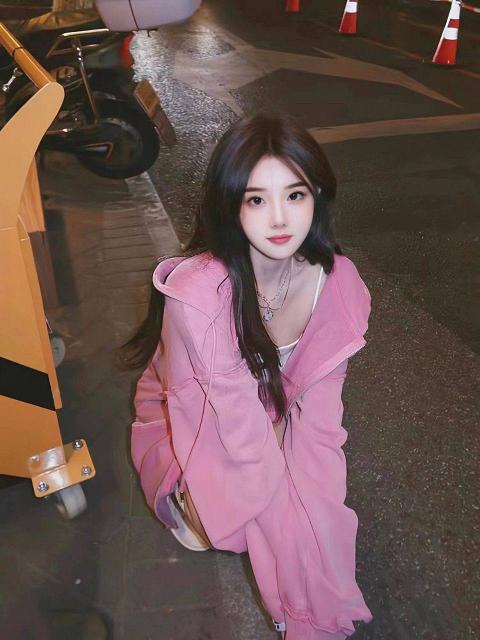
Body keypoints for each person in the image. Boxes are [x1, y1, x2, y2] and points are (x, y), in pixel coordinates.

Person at [122, 113, 373, 639]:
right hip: (193, 422)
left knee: (319, 510)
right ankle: (298, 616)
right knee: (268, 510)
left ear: (318, 195)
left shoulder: (339, 284)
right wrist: (291, 543)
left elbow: (322, 425)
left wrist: (323, 514)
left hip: (270, 414)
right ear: (230, 205)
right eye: (256, 199)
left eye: (295, 195)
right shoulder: (200, 295)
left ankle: (311, 616)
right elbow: (238, 439)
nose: (279, 218)